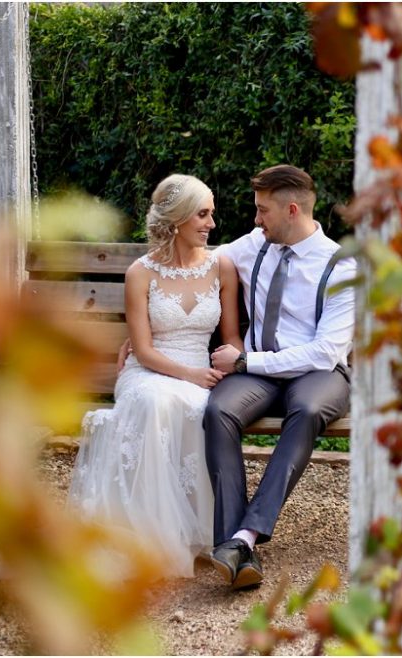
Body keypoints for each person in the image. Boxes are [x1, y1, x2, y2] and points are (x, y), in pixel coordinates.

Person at [68, 173, 243, 578]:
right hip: (148, 370)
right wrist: (190, 374)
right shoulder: (140, 273)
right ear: (178, 219)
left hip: (199, 370)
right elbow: (143, 350)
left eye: (211, 214)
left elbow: (232, 337)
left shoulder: (222, 266)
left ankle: (195, 531)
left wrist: (233, 366)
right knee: (155, 400)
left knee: (199, 407)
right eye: (203, 214)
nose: (212, 223)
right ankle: (145, 540)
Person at [205, 164, 355, 590]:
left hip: (317, 374)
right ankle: (234, 547)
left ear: (292, 210)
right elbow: (195, 265)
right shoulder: (256, 245)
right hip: (260, 372)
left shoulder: (341, 267)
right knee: (218, 410)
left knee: (306, 409)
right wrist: (148, 321)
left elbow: (325, 352)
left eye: (262, 210)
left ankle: (245, 536)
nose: (256, 220)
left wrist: (245, 362)